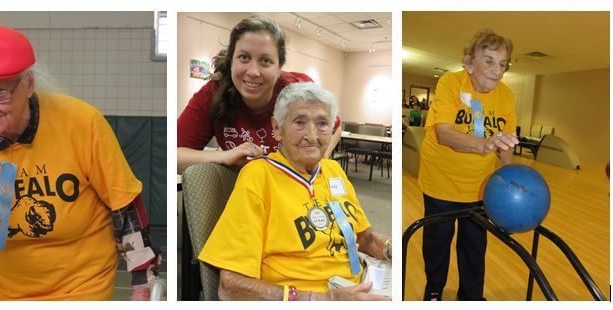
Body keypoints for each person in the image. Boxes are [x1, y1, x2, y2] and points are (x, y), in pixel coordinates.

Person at [0, 25, 160, 300]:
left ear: (28, 84)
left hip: (81, 283)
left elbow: (125, 206)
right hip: (5, 287)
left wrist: (142, 282)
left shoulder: (82, 123)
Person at [198, 82, 391, 301]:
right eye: (299, 122)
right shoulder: (259, 176)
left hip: (359, 286)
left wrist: (390, 248)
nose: (311, 135)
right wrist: (327, 299)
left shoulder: (333, 170)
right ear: (277, 128)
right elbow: (230, 287)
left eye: (322, 124)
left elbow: (364, 238)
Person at [417, 29, 519, 301]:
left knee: (474, 245)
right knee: (437, 243)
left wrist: (510, 178)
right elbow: (444, 133)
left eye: (502, 63)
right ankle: (434, 292)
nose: (497, 70)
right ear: (469, 63)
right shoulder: (450, 83)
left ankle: (471, 298)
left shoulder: (506, 96)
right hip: (441, 180)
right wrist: (483, 144)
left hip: (479, 186)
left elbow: (506, 142)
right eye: (488, 61)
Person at [177, 16, 341, 173]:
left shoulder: (298, 90)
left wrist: (320, 159)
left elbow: (335, 125)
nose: (253, 72)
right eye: (244, 57)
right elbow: (173, 155)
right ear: (231, 60)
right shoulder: (212, 94)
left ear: (279, 67)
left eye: (265, 61)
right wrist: (225, 156)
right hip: (245, 185)